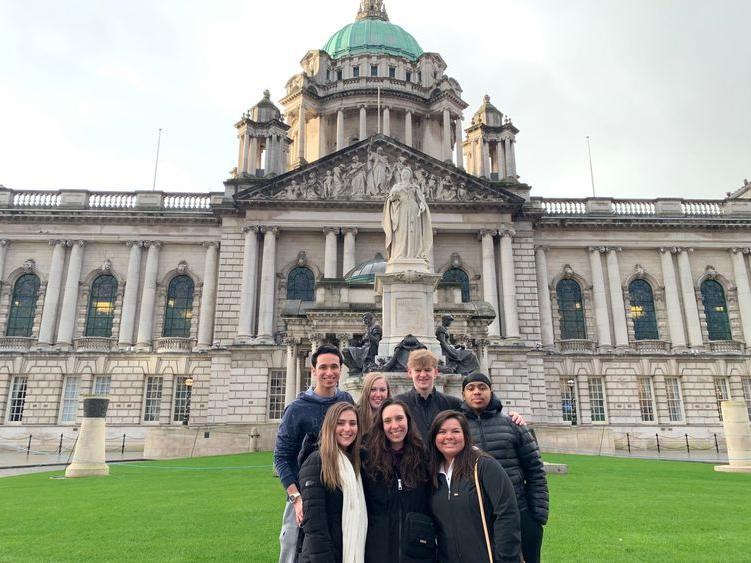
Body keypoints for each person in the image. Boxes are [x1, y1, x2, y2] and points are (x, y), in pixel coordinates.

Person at [274, 344, 355, 563]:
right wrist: (296, 497)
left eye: (334, 367)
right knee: (294, 548)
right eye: (323, 367)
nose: (329, 373)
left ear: (341, 369)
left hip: (341, 493)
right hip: (306, 494)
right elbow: (281, 457)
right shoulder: (297, 409)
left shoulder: (346, 400)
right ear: (314, 371)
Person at [461, 373, 549, 563]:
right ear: (463, 395)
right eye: (471, 388)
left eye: (482, 387)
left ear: (491, 391)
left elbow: (535, 470)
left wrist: (537, 515)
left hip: (519, 510)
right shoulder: (458, 429)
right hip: (479, 515)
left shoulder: (513, 424)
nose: (477, 392)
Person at [428, 411, 521, 563]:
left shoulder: (484, 465)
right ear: (434, 437)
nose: (449, 437)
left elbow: (507, 513)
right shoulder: (432, 473)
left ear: (465, 435)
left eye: (456, 431)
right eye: (442, 432)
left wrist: (505, 558)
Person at [362, 399, 436, 562]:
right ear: (380, 425)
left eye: (399, 418)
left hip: (417, 550)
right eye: (387, 421)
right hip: (378, 550)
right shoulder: (367, 460)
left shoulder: (424, 458)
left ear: (408, 420)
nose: (395, 426)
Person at [298, 402, 368, 562]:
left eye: (353, 423)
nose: (347, 429)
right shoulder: (315, 462)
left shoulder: (359, 462)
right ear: (330, 426)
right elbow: (314, 528)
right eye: (340, 423)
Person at [394, 350, 462, 442]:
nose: (423, 375)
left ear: (436, 372)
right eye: (418, 370)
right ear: (410, 373)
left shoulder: (453, 404)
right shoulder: (398, 404)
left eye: (427, 370)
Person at [383, 166, 432, 262]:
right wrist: (393, 198)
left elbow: (420, 199)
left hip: (413, 210)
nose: (404, 174)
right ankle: (400, 254)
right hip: (401, 210)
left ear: (410, 175)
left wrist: (422, 205)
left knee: (414, 232)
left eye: (407, 173)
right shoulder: (396, 187)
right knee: (401, 232)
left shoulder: (415, 187)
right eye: (403, 173)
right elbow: (390, 198)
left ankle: (414, 254)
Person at [357, 372, 391, 436]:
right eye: (373, 390)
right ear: (365, 391)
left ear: (388, 392)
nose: (378, 394)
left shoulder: (394, 415)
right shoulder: (355, 416)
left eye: (382, 390)